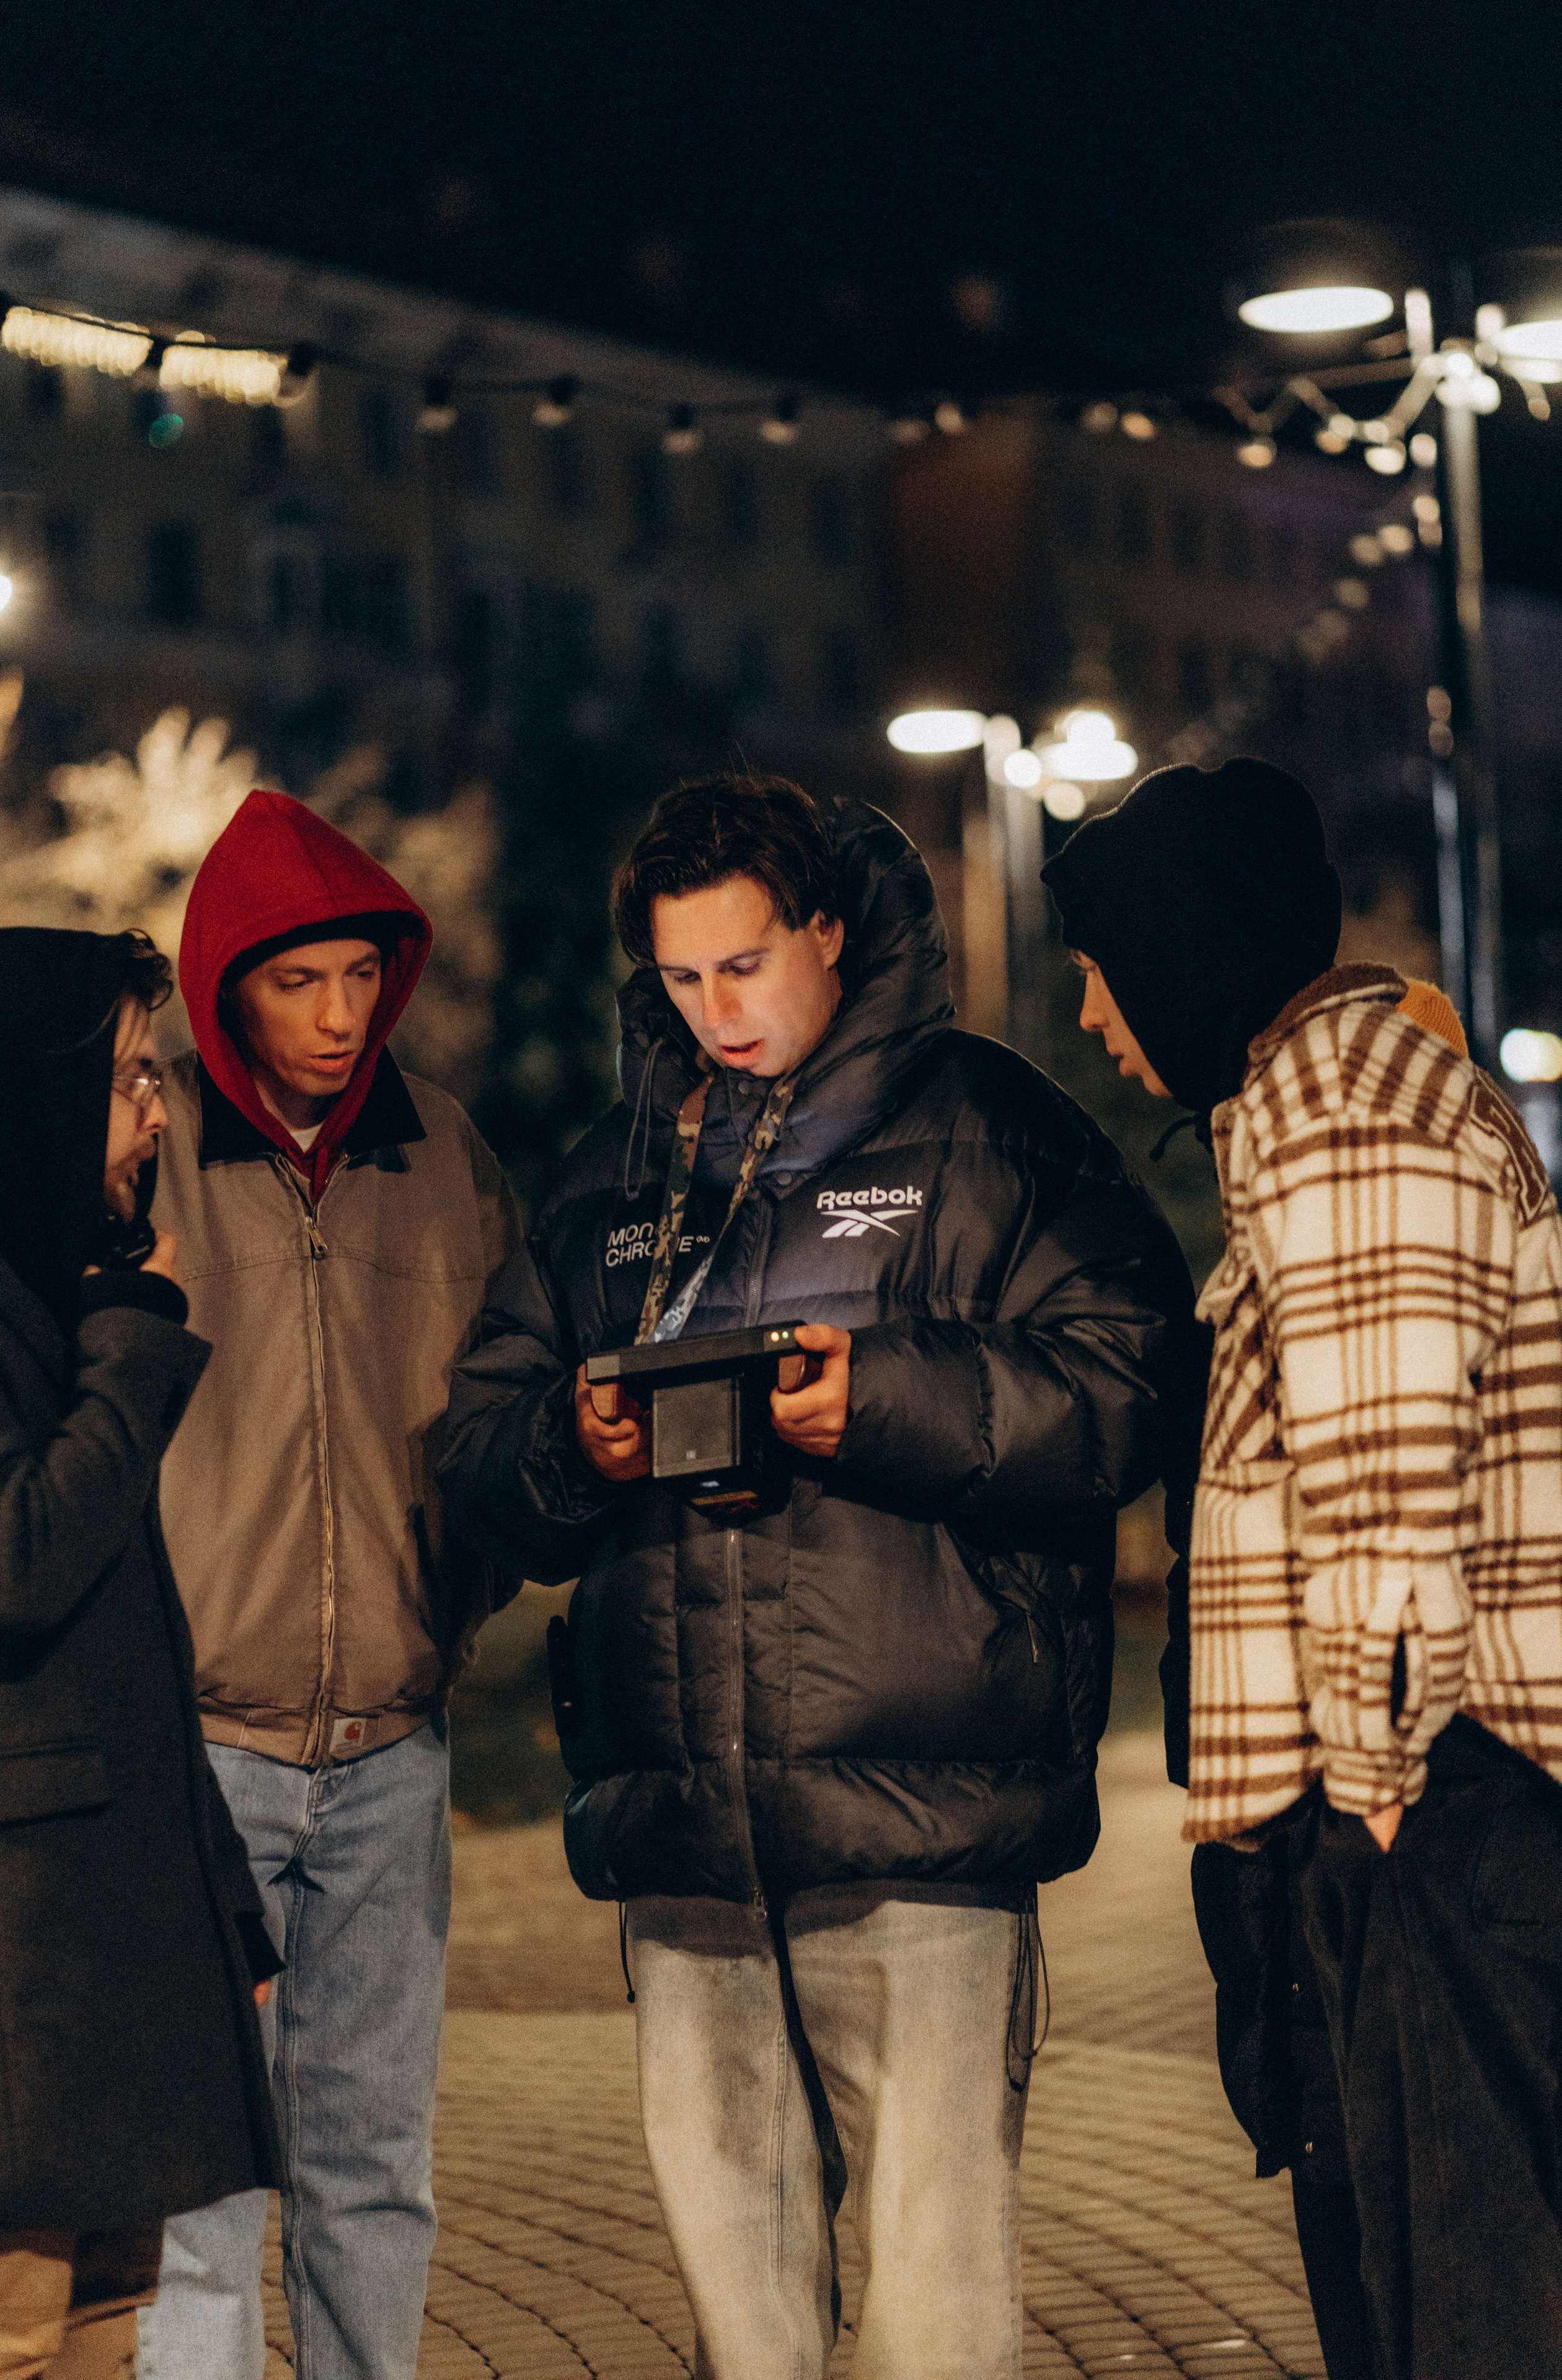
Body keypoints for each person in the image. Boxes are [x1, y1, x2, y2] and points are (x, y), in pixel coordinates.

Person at [440, 772, 1197, 2379]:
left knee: (939, 2320)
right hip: (686, 1853)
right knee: (744, 2333)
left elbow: (1134, 1381)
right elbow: (477, 1453)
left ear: (830, 935)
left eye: (747, 965)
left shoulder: (992, 1129)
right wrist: (581, 1446)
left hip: (923, 1835)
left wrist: (888, 1401)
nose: (717, 1013)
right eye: (682, 977)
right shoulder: (617, 1176)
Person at [1043, 755, 1562, 2380]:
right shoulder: (1361, 1090)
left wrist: (1379, 1791)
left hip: (1421, 1815)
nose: (1086, 1015)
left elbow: (1388, 1513)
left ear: (1181, 952)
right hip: (1434, 1808)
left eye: (1098, 967)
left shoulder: (1339, 1116)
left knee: (1452, 2297)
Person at [135, 791, 518, 2380]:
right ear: (228, 983)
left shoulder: (438, 1153)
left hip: (389, 1751)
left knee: (376, 2175)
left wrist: (452, 1607)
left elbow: (502, 1409)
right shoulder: (147, 1146)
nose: (341, 1016)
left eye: (364, 977)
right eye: (301, 982)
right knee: (205, 2191)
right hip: (199, 1749)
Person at [0, 927, 280, 2380]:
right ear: (26, 1092)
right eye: (126, 1079)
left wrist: (225, 1905)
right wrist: (133, 1347)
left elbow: (133, 1638)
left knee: (100, 2333)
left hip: (96, 1952)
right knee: (11, 2341)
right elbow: (17, 1559)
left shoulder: (43, 1285)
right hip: (13, 1973)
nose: (158, 1110)